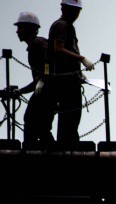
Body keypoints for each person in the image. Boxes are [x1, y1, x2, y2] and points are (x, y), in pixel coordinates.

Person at [47, 0, 94, 147]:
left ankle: (69, 144)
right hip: (65, 82)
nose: (76, 14)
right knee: (69, 117)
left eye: (77, 11)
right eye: (73, 10)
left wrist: (78, 72)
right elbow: (58, 49)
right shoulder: (61, 25)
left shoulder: (68, 26)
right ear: (64, 9)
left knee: (72, 118)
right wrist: (81, 58)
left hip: (70, 79)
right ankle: (67, 147)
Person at [12, 12, 56, 148]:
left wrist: (43, 78)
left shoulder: (37, 45)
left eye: (20, 28)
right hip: (47, 92)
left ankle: (30, 152)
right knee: (41, 127)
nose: (17, 31)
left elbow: (49, 63)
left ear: (28, 29)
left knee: (32, 122)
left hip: (47, 93)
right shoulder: (38, 44)